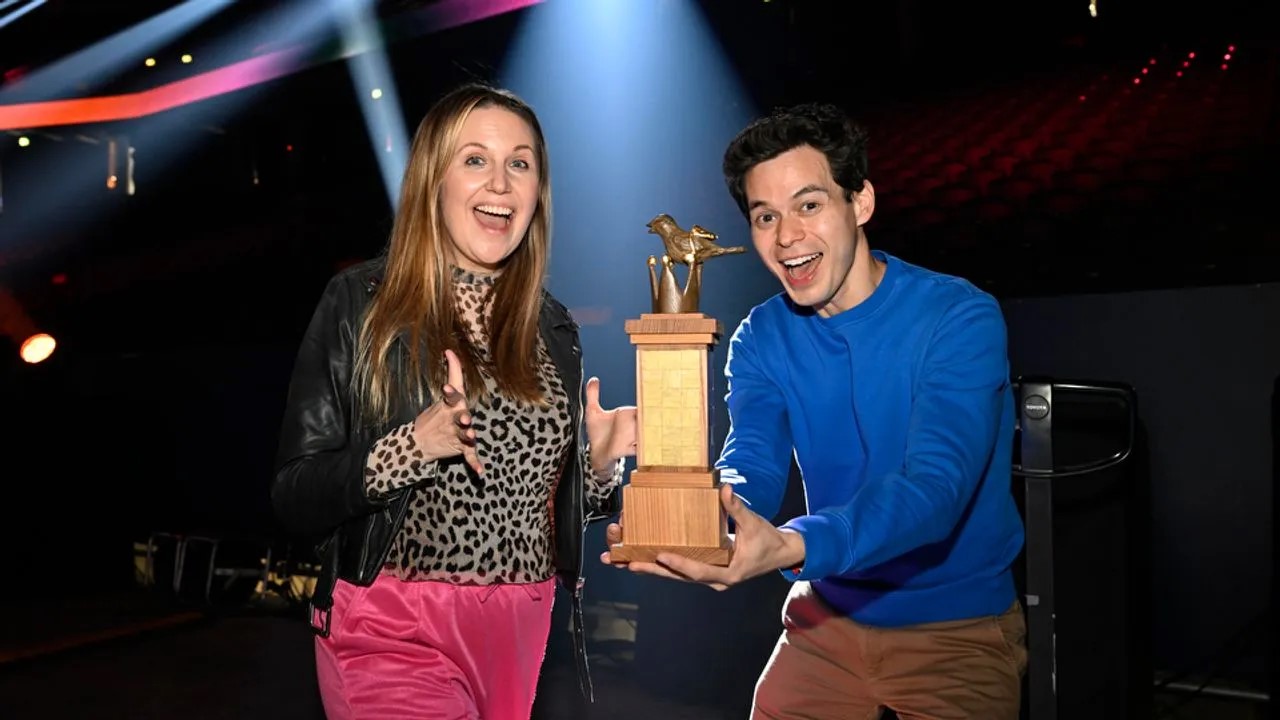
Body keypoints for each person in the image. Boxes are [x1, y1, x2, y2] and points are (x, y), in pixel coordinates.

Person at [603, 102, 1028, 718]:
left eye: (808, 205)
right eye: (765, 216)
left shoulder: (959, 318)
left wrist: (790, 545)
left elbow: (935, 491)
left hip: (956, 628)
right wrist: (698, 516)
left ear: (860, 202)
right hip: (824, 617)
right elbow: (752, 460)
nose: (786, 237)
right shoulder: (759, 336)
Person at [273, 82, 636, 720]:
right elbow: (295, 492)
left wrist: (597, 471)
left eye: (519, 163)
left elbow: (524, 508)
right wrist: (412, 448)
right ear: (433, 180)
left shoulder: (553, 328)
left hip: (522, 629)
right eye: (475, 159)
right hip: (393, 623)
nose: (500, 183)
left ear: (538, 192)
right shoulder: (361, 304)